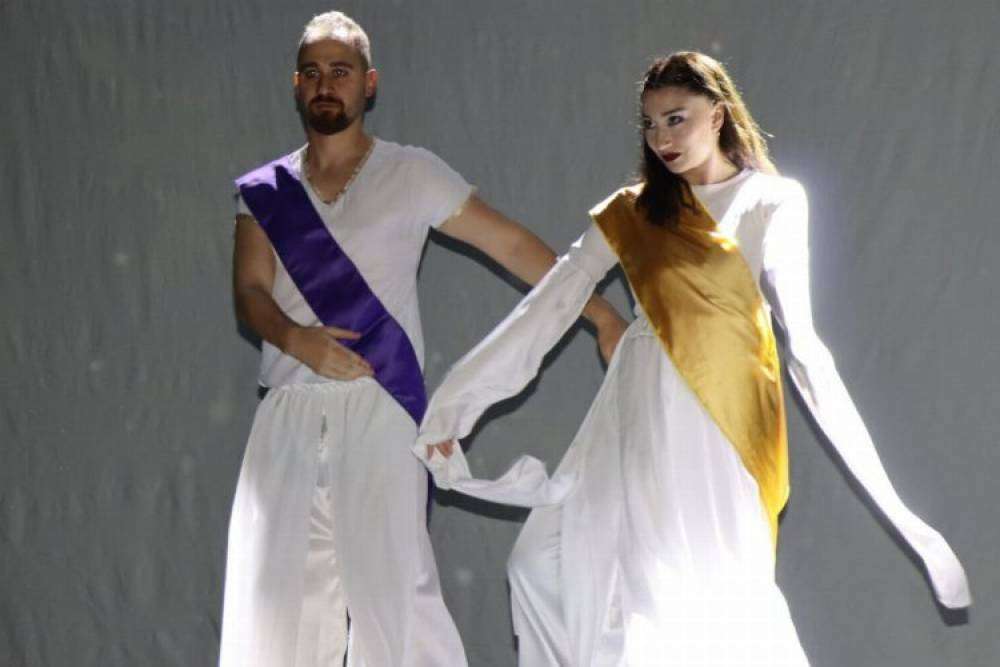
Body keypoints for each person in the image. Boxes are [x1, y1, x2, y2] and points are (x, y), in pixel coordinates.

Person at [416, 52, 971, 665]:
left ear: (718, 115)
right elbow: (549, 304)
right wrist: (456, 406)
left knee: (700, 589)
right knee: (545, 567)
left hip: (728, 417)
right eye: (651, 124)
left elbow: (801, 337)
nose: (662, 138)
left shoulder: (772, 200)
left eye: (676, 119)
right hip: (643, 409)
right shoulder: (632, 212)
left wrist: (879, 481)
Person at [219, 10, 627, 667]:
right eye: (312, 72)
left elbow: (511, 245)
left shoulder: (412, 172)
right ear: (296, 86)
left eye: (341, 71)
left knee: (398, 601)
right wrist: (296, 338)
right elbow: (250, 293)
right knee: (277, 608)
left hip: (378, 411)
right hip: (287, 416)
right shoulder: (265, 192)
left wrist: (599, 312)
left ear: (369, 83)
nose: (326, 84)